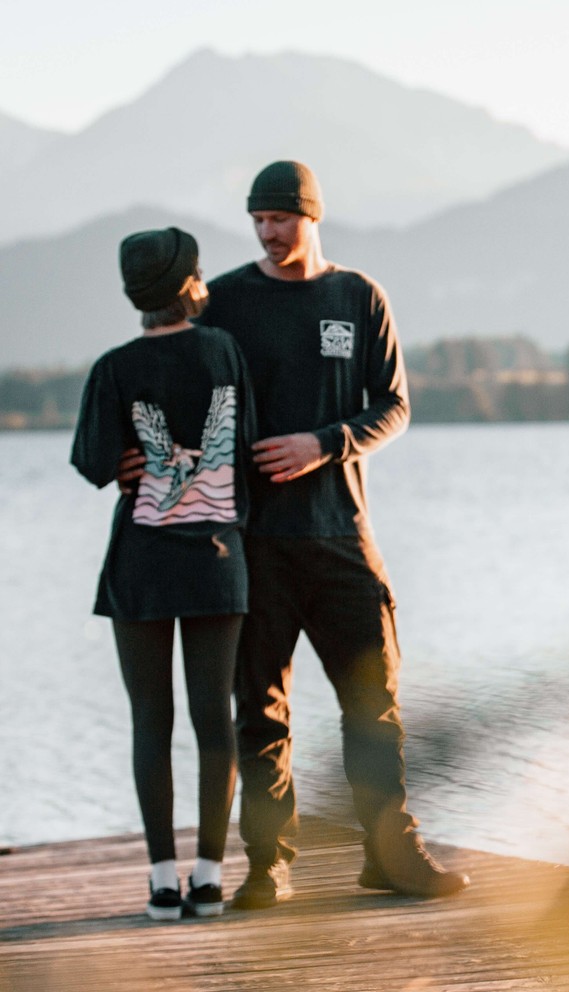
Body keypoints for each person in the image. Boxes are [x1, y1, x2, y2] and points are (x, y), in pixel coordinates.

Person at [123, 160, 468, 908]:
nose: (269, 232)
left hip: (342, 534)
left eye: (281, 219)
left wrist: (325, 442)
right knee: (260, 712)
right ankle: (268, 864)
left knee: (372, 703)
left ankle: (390, 853)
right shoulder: (226, 304)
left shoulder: (357, 296)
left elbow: (395, 407)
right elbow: (178, 390)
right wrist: (141, 455)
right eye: (258, 221)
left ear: (311, 216)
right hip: (253, 542)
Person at [72, 227, 256, 920]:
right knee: (217, 719)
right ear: (189, 286)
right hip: (216, 560)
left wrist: (129, 458)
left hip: (141, 564)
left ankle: (159, 880)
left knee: (150, 720)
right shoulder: (225, 351)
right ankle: (208, 877)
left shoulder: (113, 368)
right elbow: (240, 446)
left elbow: (94, 463)